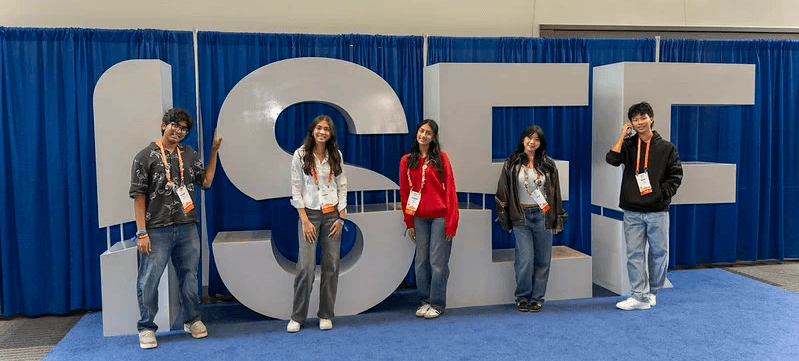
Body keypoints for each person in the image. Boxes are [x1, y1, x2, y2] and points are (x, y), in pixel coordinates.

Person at [130, 108, 222, 349]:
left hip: (187, 227)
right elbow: (139, 198)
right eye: (174, 125)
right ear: (163, 125)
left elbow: (207, 182)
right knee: (149, 279)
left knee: (190, 278)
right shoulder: (144, 156)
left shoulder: (190, 154)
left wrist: (213, 152)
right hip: (155, 229)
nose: (178, 131)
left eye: (183, 129)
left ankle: (192, 320)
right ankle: (147, 327)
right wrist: (142, 233)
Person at [606, 101, 682, 311]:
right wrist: (623, 135)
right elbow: (611, 159)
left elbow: (676, 176)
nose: (639, 122)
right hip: (632, 210)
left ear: (652, 119)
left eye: (643, 118)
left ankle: (652, 291)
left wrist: (660, 194)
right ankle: (638, 295)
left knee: (659, 253)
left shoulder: (667, 147)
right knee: (634, 254)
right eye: (635, 119)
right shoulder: (629, 145)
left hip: (657, 211)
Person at [495, 125, 567, 313]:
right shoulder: (511, 163)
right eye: (529, 138)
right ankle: (522, 297)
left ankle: (537, 298)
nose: (532, 142)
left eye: (536, 139)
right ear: (522, 139)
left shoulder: (549, 164)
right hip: (521, 217)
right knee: (525, 259)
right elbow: (502, 192)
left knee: (543, 260)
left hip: (543, 215)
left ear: (541, 143)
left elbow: (556, 193)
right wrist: (505, 220)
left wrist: (557, 219)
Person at [286, 115, 348, 333]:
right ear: (312, 131)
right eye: (319, 128)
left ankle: (325, 314)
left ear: (331, 134)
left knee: (331, 266)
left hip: (333, 215)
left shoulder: (335, 155)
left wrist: (341, 218)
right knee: (306, 267)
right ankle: (297, 316)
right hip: (309, 215)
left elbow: (342, 186)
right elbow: (295, 188)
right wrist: (304, 220)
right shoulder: (300, 154)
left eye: (327, 129)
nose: (322, 132)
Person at [399, 119, 459, 319]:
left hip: (440, 217)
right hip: (419, 218)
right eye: (421, 131)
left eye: (428, 133)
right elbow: (405, 194)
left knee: (437, 262)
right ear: (417, 133)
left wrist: (452, 223)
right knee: (420, 262)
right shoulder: (407, 161)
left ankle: (437, 303)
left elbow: (450, 190)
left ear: (433, 138)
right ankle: (425, 300)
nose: (423, 135)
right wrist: (409, 222)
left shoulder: (441, 158)